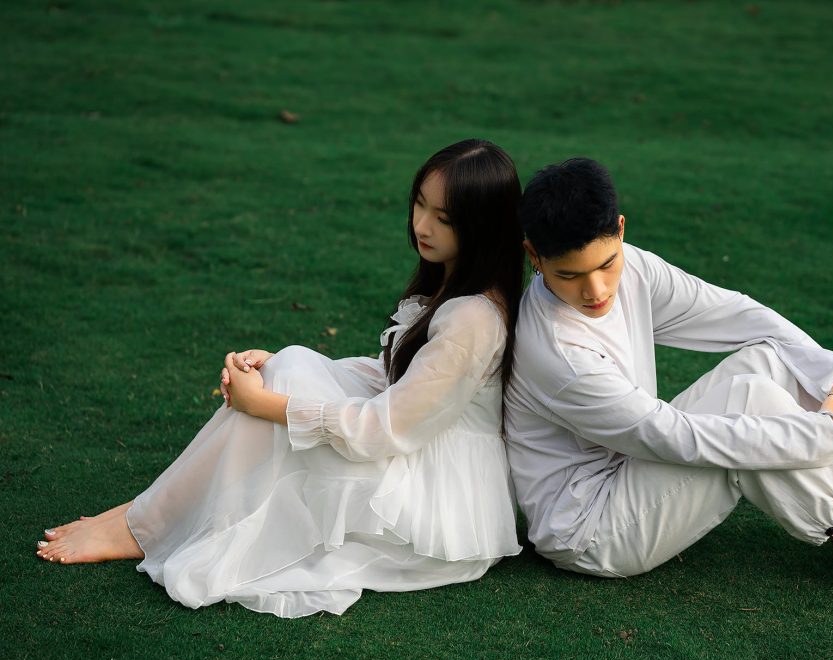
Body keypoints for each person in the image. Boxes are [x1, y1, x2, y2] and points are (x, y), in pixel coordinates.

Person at [36, 139, 525, 618]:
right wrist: (280, 372)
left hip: (434, 514)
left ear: (481, 228)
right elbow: (397, 377)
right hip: (416, 448)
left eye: (443, 218)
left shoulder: (472, 321)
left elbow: (384, 429)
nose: (421, 225)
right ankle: (148, 517)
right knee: (287, 366)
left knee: (275, 404)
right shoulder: (455, 280)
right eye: (419, 204)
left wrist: (263, 404)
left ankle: (143, 523)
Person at [505, 158, 833, 608]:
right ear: (534, 256)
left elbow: (741, 316)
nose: (595, 290)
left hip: (634, 466)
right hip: (591, 527)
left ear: (620, 231)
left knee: (770, 360)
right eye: (570, 276)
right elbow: (677, 437)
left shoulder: (634, 269)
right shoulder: (557, 352)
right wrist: (826, 432)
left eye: (606, 264)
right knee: (754, 400)